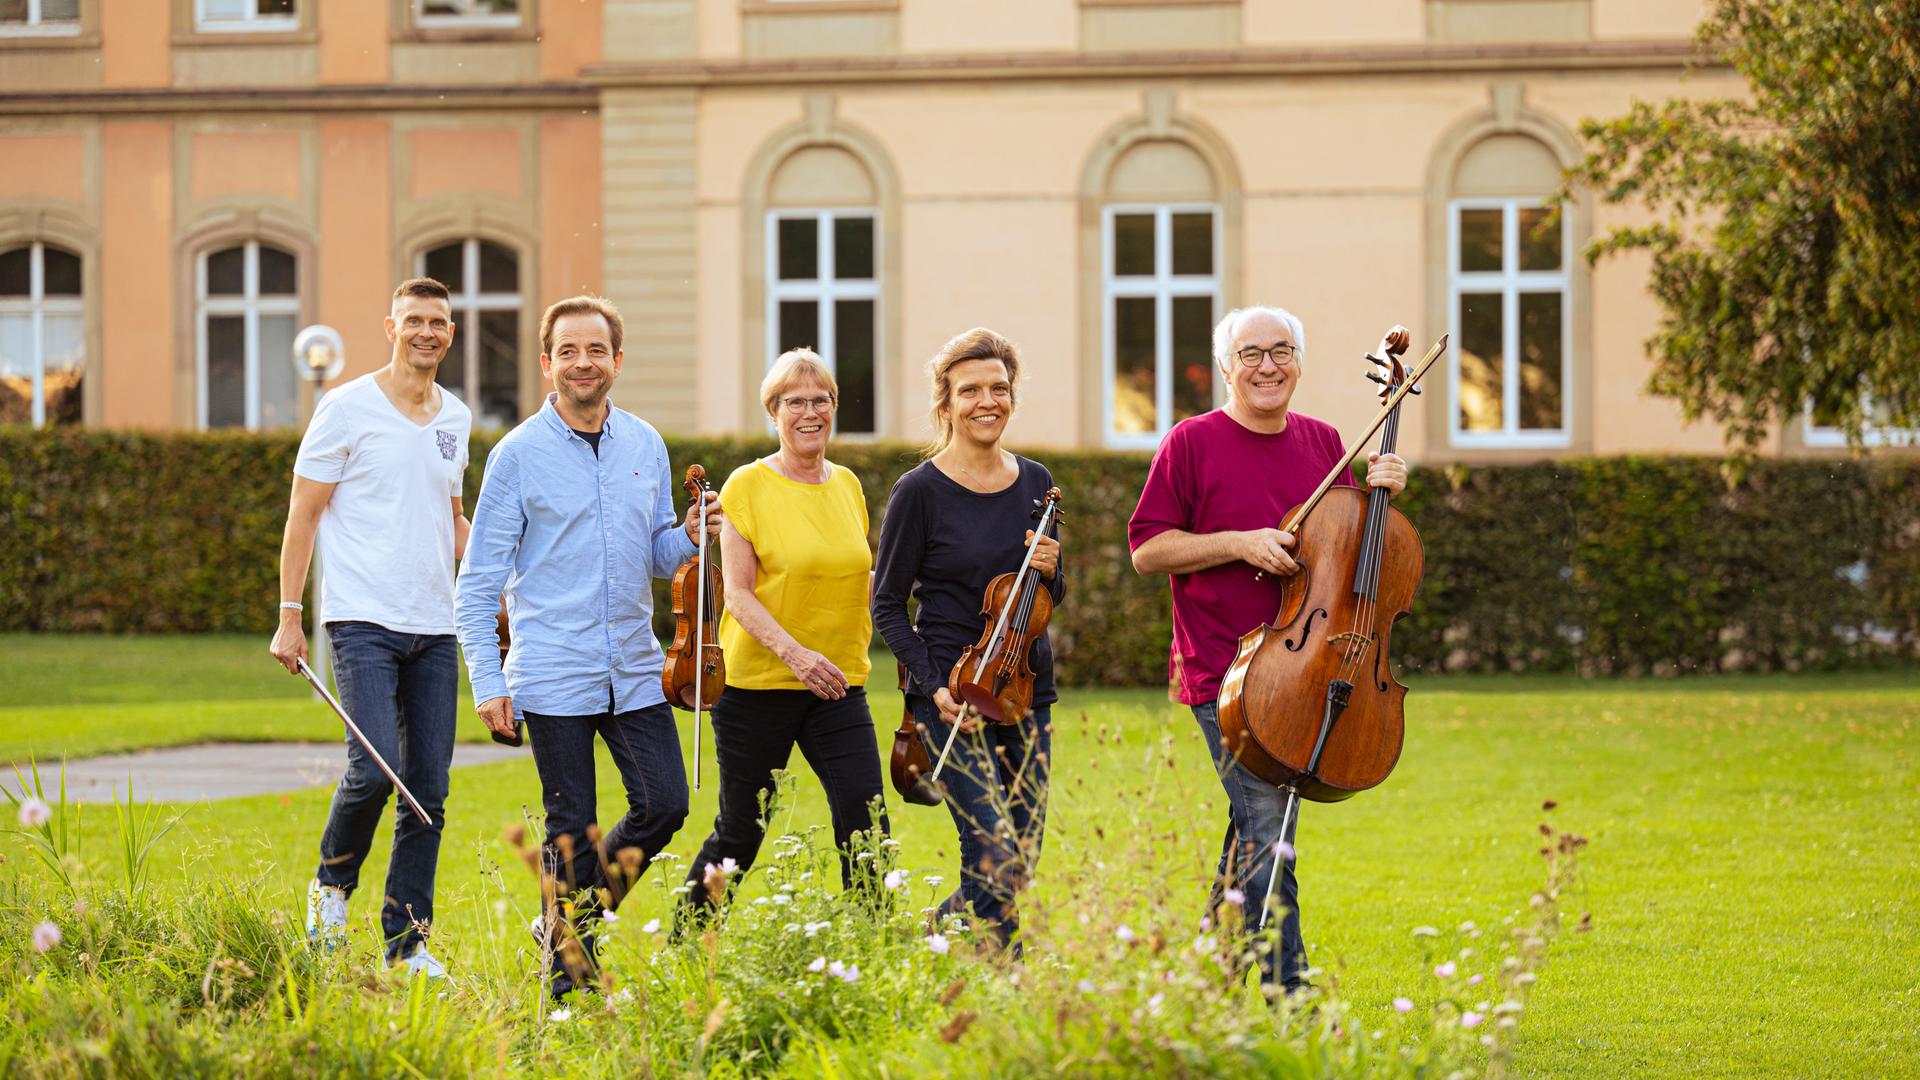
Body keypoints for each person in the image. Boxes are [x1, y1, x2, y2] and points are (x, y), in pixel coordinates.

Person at [1127, 306, 1407, 996]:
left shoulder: (1326, 443)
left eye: (1281, 351)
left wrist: (1382, 497)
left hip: (1308, 669)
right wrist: (1239, 542)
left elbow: (1347, 555)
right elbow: (1147, 549)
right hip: (1223, 672)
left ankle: (1206, 987)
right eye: (1250, 353)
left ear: (1299, 363)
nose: (1267, 366)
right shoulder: (1190, 442)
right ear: (1226, 367)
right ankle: (1294, 1002)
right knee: (1269, 828)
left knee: (1254, 828)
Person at [454, 294, 720, 999]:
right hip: (551, 669)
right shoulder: (516, 456)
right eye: (567, 351)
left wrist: (692, 535)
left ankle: (565, 926)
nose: (582, 363)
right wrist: (488, 680)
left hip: (633, 665)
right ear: (547, 364)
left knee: (665, 803)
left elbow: (658, 553)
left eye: (595, 350)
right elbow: (477, 581)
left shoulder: (645, 444)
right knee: (570, 830)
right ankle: (568, 992)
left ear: (617, 362)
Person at [269, 277, 472, 979]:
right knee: (375, 769)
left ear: (451, 332)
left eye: (438, 322)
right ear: (391, 327)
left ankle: (408, 942)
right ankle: (329, 890)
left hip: (435, 627)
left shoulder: (457, 417)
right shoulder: (344, 408)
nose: (426, 331)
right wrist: (290, 616)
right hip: (360, 623)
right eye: (414, 320)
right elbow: (303, 513)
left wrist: (504, 577)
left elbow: (451, 521)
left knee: (429, 789)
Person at [871, 328, 1063, 951]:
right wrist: (933, 687)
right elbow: (887, 605)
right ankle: (993, 970)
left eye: (999, 389)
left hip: (1027, 691)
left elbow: (1045, 601)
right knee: (995, 851)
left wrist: (1055, 574)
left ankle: (941, 946)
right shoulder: (919, 492)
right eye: (970, 390)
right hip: (951, 694)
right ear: (946, 404)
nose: (988, 401)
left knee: (1019, 862)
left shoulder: (1037, 480)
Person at [680, 348, 889, 919]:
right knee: (741, 834)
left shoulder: (846, 485)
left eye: (821, 400)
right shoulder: (747, 485)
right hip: (758, 686)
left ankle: (874, 953)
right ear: (773, 412)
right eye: (795, 401)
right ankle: (688, 941)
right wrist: (797, 655)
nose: (810, 411)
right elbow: (739, 595)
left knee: (866, 825)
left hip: (838, 683)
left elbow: (853, 577)